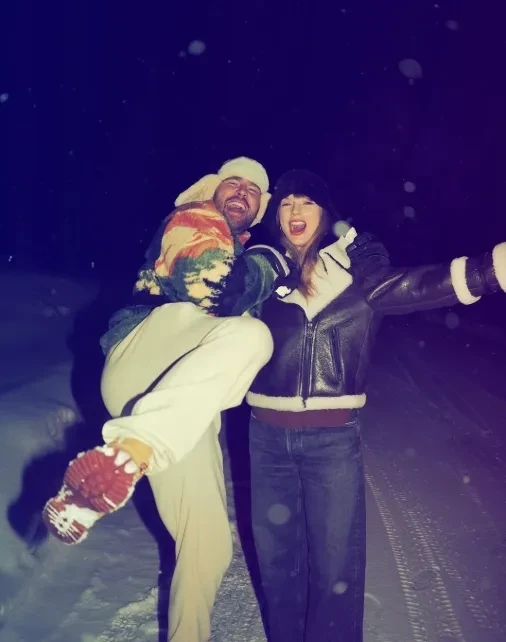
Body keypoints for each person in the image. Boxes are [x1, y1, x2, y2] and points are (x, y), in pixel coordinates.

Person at [42, 157, 300, 642]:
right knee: (251, 336)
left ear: (260, 207)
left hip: (178, 405)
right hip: (149, 351)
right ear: (212, 188)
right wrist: (272, 262)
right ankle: (131, 448)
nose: (241, 192)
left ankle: (105, 482)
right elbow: (216, 286)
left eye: (253, 190)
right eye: (233, 183)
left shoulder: (243, 250)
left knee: (209, 544)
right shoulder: (195, 219)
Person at [245, 169, 506, 642]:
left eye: (307, 202)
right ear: (276, 215)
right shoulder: (262, 273)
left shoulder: (356, 271)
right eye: (286, 203)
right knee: (278, 567)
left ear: (324, 213)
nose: (296, 211)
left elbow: (412, 287)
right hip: (265, 440)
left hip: (330, 441)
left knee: (335, 571)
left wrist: (487, 271)